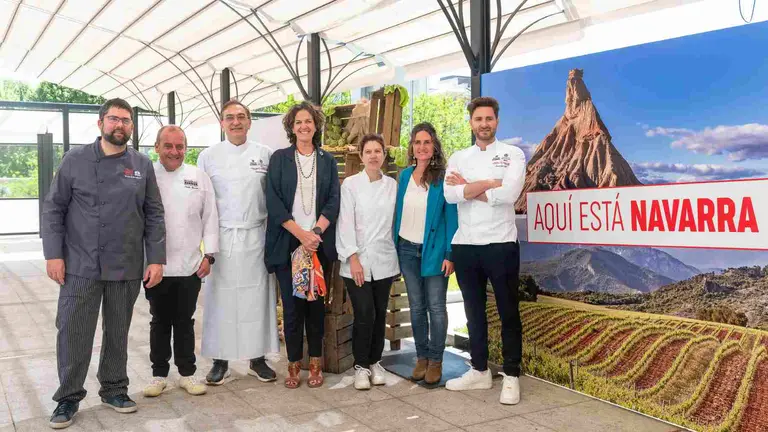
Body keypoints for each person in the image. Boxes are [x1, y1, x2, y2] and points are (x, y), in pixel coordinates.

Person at [42, 98, 165, 429]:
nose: (120, 125)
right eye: (114, 119)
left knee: (118, 332)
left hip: (126, 262)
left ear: (131, 128)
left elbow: (153, 212)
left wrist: (155, 259)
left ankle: (114, 389)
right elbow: (54, 208)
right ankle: (68, 397)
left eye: (126, 121)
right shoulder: (75, 159)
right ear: (100, 123)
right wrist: (54, 254)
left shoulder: (141, 163)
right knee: (73, 331)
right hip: (80, 263)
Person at [443, 96, 526, 405]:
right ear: (471, 123)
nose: (484, 124)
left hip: (501, 244)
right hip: (465, 246)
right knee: (473, 312)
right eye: (478, 119)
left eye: (489, 119)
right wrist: (488, 182)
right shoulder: (458, 156)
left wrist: (470, 186)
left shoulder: (512, 154)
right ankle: (479, 370)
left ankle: (511, 376)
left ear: (497, 121)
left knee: (508, 313)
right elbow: (450, 196)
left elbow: (508, 195)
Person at [197, 99, 279, 385]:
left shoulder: (265, 154)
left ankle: (257, 358)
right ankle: (221, 360)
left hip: (256, 236)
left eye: (241, 117)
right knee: (221, 300)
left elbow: (274, 199)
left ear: (249, 121)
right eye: (230, 117)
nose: (236, 122)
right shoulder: (208, 157)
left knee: (256, 299)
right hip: (222, 238)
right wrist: (206, 247)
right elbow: (203, 204)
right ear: (222, 123)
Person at [265, 101, 340, 389]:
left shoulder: (327, 160)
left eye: (308, 121)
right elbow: (273, 201)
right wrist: (300, 234)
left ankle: (316, 364)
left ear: (316, 125)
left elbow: (334, 199)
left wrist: (316, 232)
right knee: (293, 308)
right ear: (291, 127)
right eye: (298, 122)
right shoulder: (280, 158)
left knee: (316, 308)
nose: (304, 126)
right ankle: (294, 364)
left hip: (317, 245)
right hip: (288, 244)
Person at [142, 125, 218, 398]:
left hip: (190, 265)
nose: (174, 152)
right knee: (159, 321)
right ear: (157, 147)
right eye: (168, 146)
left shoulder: (198, 177)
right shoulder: (147, 176)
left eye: (180, 146)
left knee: (185, 322)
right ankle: (158, 375)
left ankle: (187, 373)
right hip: (156, 265)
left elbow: (210, 217)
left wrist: (209, 255)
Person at [394, 123, 458, 385]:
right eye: (417, 142)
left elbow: (451, 218)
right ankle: (421, 357)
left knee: (437, 308)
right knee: (417, 308)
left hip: (434, 251)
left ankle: (436, 360)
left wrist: (450, 253)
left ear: (434, 147)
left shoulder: (443, 177)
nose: (421, 147)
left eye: (427, 142)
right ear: (412, 146)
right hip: (407, 249)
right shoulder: (404, 176)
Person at [336, 134, 399, 390]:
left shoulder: (392, 186)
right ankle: (360, 367)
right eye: (368, 151)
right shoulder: (350, 185)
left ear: (384, 155)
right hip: (357, 261)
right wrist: (353, 259)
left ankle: (375, 362)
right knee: (364, 313)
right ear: (361, 156)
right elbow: (345, 223)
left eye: (378, 151)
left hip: (384, 259)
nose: (374, 155)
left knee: (380, 313)